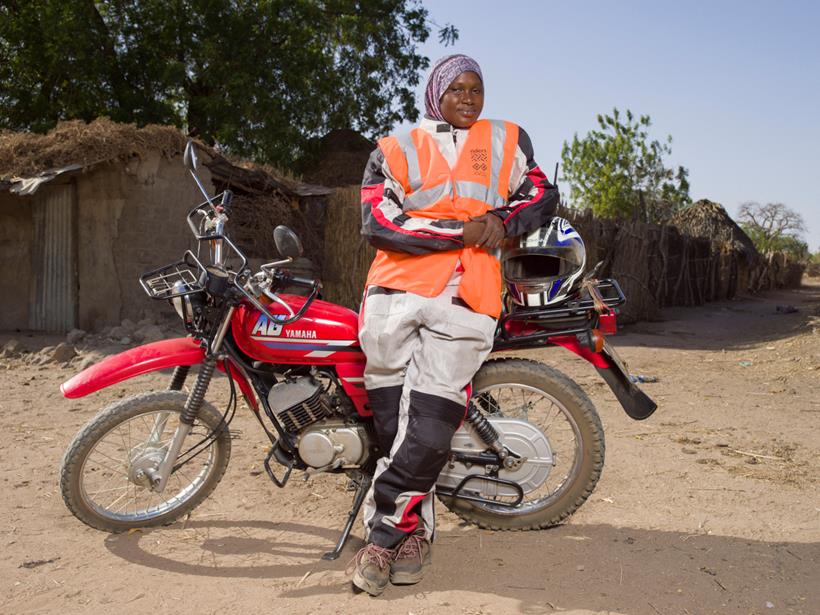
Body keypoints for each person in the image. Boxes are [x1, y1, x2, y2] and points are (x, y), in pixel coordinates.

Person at [351, 54, 560, 596]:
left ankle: (382, 537)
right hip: (393, 296)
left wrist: (500, 221)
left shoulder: (508, 141)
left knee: (432, 424)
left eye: (477, 89)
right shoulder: (392, 150)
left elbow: (540, 195)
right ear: (435, 94)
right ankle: (418, 531)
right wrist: (462, 232)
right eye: (457, 90)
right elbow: (378, 222)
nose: (469, 99)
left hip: (467, 296)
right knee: (395, 429)